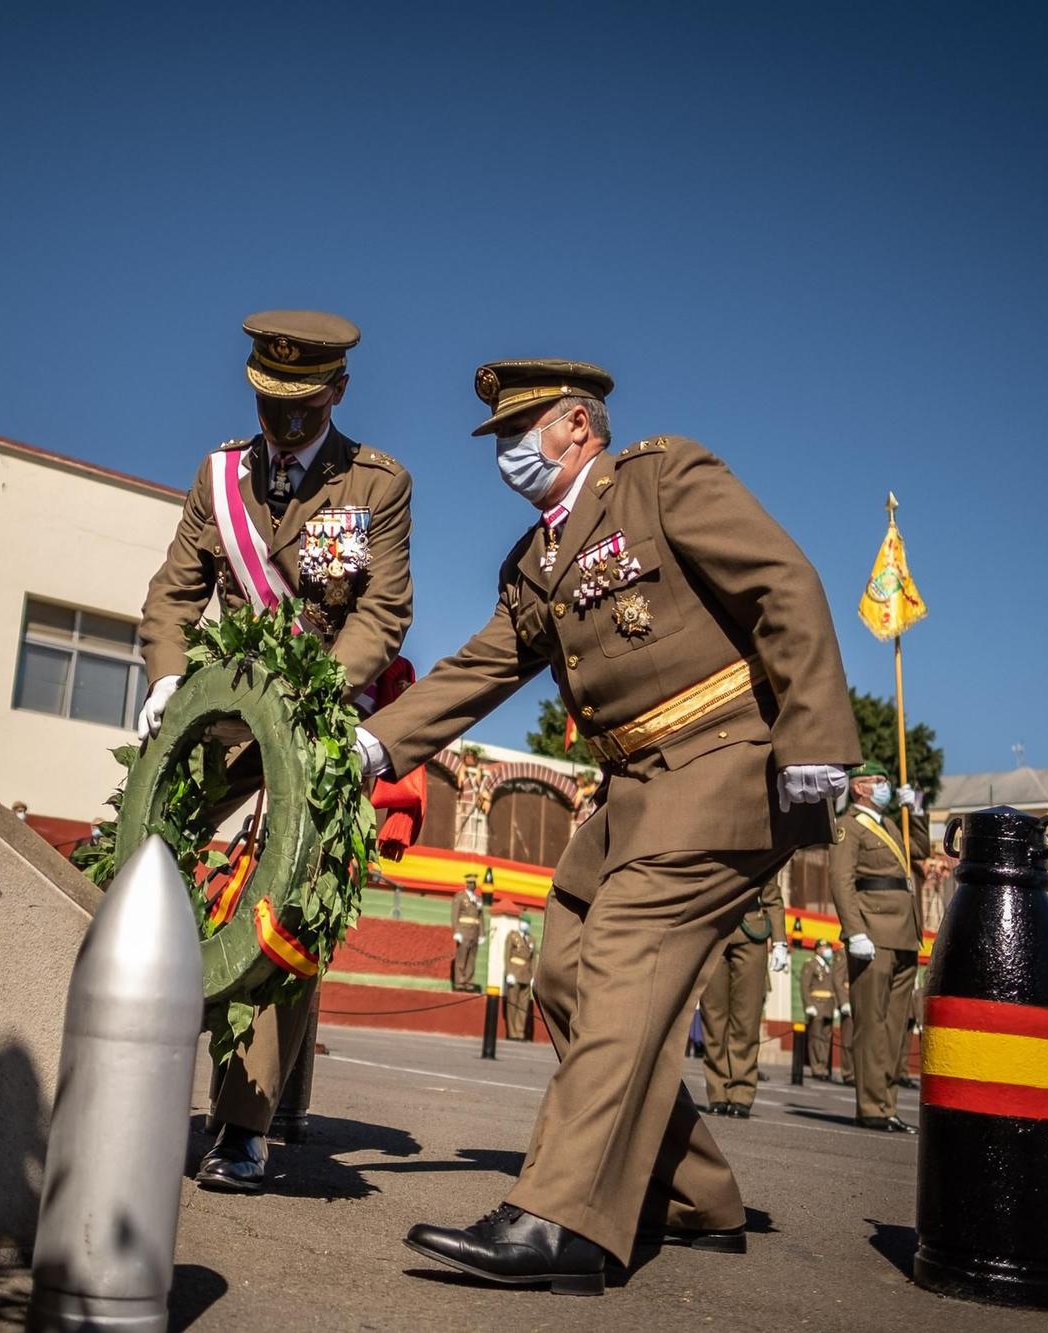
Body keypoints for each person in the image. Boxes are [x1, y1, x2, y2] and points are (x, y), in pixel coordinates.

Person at [352, 358, 859, 1293]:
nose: (507, 455)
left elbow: (783, 581)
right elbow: (478, 671)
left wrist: (815, 734)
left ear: (579, 424)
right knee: (564, 972)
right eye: (499, 441)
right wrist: (373, 749)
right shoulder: (533, 561)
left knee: (624, 950)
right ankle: (696, 1195)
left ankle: (560, 1219)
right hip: (633, 790)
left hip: (724, 763)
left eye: (521, 433)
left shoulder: (662, 479)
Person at [138, 310, 414, 1195]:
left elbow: (382, 612)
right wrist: (164, 678)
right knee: (156, 852)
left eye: (301, 404)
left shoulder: (378, 485)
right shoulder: (219, 476)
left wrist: (322, 694)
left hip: (328, 709)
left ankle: (243, 1121)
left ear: (336, 391)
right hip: (230, 707)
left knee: (288, 893)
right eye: (269, 401)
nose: (283, 421)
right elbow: (176, 592)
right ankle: (226, 1078)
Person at [829, 762, 930, 1133]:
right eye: (878, 781)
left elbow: (919, 847)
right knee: (871, 1025)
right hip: (873, 932)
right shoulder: (848, 826)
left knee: (894, 1027)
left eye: (887, 781)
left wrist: (916, 809)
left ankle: (886, 1104)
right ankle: (871, 1106)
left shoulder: (890, 825)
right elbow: (842, 881)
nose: (885, 786)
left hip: (904, 933)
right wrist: (854, 931)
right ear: (859, 788)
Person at [699, 879, 788, 1117]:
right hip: (712, 929)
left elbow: (771, 891)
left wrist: (780, 940)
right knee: (713, 1018)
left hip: (752, 931)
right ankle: (717, 1093)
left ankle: (741, 1094)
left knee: (746, 1021)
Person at [801, 941, 846, 1080]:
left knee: (826, 1039)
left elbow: (835, 986)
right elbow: (804, 986)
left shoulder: (830, 967)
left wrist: (837, 1005)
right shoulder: (811, 964)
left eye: (829, 948)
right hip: (816, 1004)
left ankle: (823, 1067)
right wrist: (808, 1005)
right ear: (818, 949)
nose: (828, 951)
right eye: (825, 948)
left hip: (829, 1005)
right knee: (816, 1038)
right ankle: (817, 1068)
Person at [504, 917, 538, 1041]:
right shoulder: (513, 936)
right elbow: (507, 955)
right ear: (519, 923)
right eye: (523, 922)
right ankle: (512, 1032)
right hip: (514, 972)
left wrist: (534, 976)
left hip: (526, 974)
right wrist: (508, 972)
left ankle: (520, 1032)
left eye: (527, 923)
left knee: (523, 1006)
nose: (525, 925)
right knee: (512, 1004)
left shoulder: (531, 939)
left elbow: (533, 959)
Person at [452, 880, 485, 992]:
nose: (472, 885)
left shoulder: (478, 899)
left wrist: (482, 933)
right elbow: (455, 914)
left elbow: (480, 917)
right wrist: (456, 931)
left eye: (474, 883)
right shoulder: (460, 897)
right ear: (466, 884)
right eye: (470, 882)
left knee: (472, 958)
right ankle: (459, 982)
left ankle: (469, 982)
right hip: (464, 930)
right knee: (462, 957)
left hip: (474, 932)